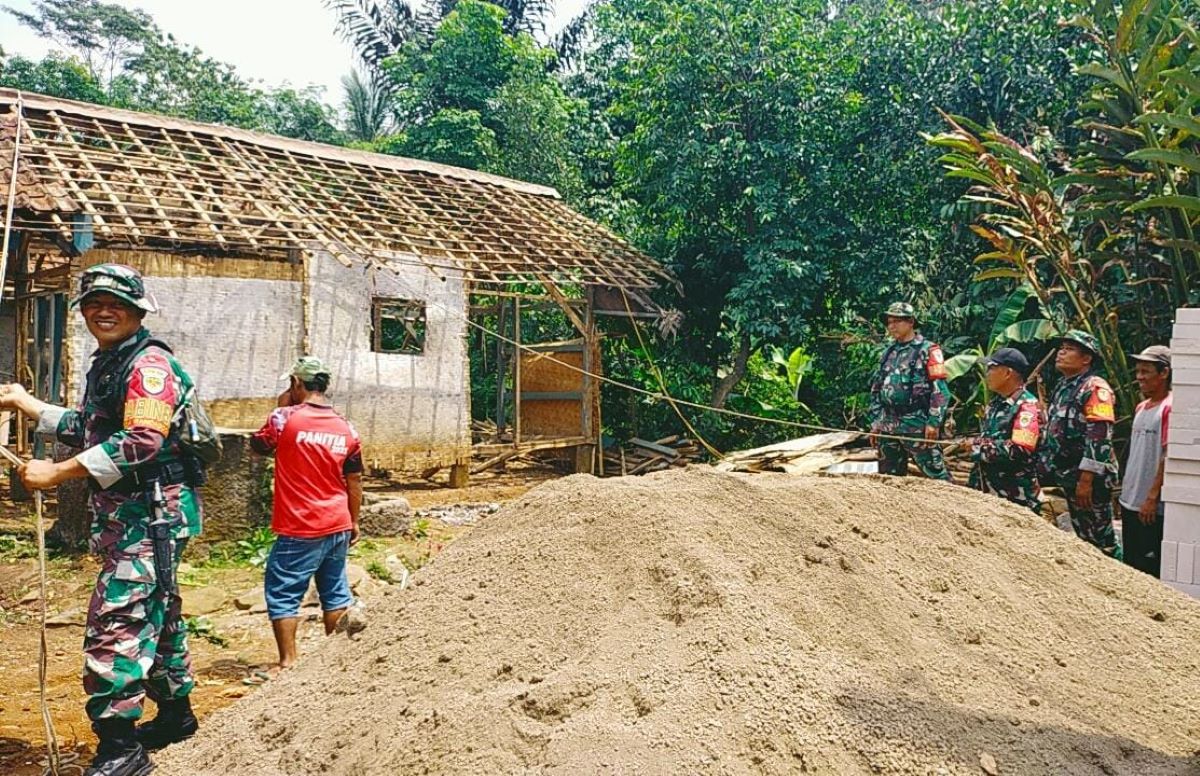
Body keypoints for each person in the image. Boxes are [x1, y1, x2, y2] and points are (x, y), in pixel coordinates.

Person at [0, 264, 203, 776]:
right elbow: (88, 425)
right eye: (93, 303)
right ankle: (176, 715)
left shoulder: (148, 366)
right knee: (157, 614)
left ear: (139, 311)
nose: (103, 311)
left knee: (117, 623)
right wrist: (28, 404)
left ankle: (120, 748)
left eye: (116, 303)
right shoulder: (111, 363)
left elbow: (141, 440)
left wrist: (59, 473)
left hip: (152, 515)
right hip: (129, 517)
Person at [249, 356, 364, 677]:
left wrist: (281, 403)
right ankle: (333, 663)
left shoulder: (284, 419)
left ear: (297, 384)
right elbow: (354, 480)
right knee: (335, 589)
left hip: (301, 524)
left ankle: (287, 662)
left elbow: (257, 447)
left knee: (283, 590)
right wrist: (353, 521)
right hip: (338, 521)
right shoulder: (346, 428)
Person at [1038, 330, 1120, 556]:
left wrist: (1086, 480)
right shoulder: (1064, 386)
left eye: (1070, 349)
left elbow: (1099, 436)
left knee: (1100, 537)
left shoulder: (1094, 388)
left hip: (1091, 480)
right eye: (1061, 348)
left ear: (1087, 358)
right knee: (1084, 536)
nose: (1061, 353)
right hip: (1069, 475)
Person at [869, 301, 952, 480]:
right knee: (888, 479)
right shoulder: (888, 352)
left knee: (936, 476)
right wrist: (876, 421)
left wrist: (934, 421)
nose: (892, 326)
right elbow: (877, 388)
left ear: (911, 322)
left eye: (897, 321)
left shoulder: (928, 350)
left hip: (916, 423)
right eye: (889, 322)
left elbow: (940, 390)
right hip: (888, 424)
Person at [968, 347, 1043, 514]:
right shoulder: (996, 404)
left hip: (1015, 497)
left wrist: (976, 447)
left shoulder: (1026, 407)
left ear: (1008, 373)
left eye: (992, 368)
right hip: (988, 493)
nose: (987, 373)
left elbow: (1019, 449)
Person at [1119, 345, 1172, 576]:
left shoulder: (1169, 408)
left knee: (1148, 565)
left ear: (1164, 373)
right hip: (1130, 499)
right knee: (1131, 563)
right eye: (1138, 371)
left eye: (1146, 371)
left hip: (1150, 505)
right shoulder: (1141, 407)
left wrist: (1152, 496)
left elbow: (1167, 455)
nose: (1139, 377)